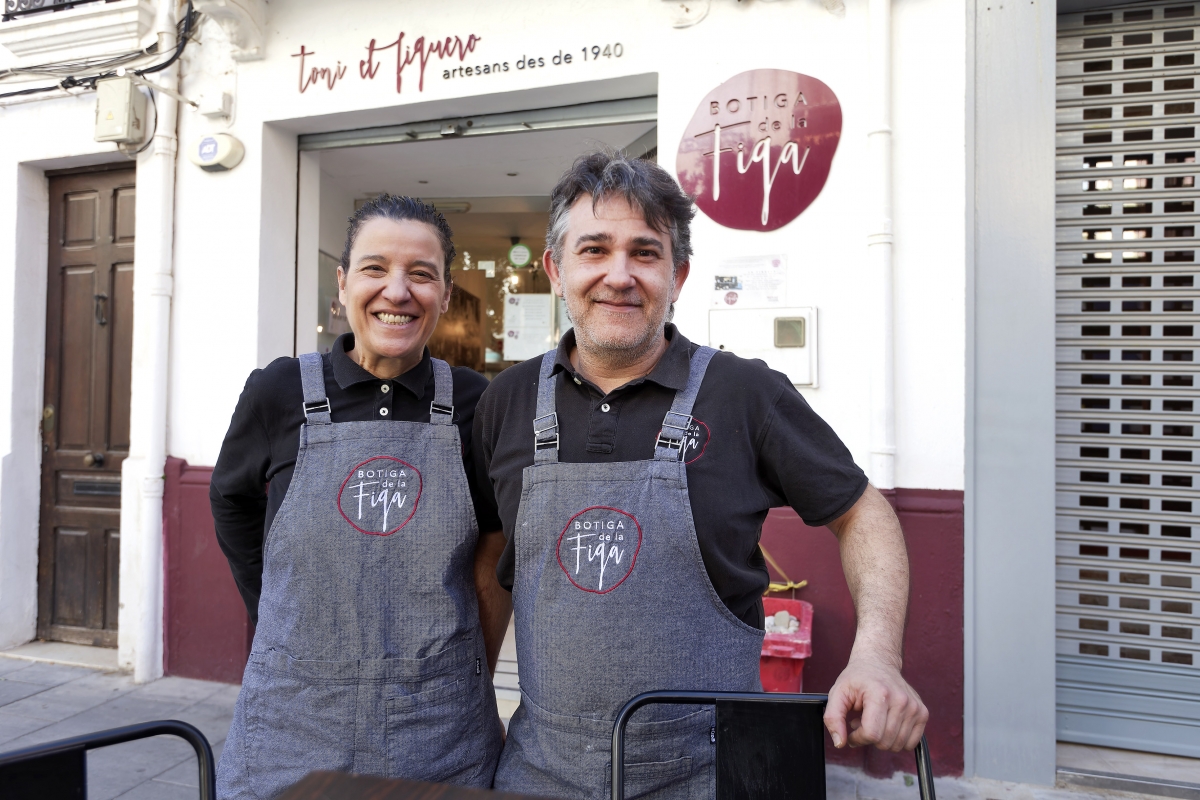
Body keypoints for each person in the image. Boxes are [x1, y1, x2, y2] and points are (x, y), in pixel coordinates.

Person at [474, 152, 928, 799]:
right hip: (539, 774)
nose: (619, 275)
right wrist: (475, 707)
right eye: (595, 249)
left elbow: (862, 514)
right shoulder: (507, 402)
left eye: (645, 253)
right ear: (556, 268)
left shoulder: (744, 394)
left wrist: (877, 655)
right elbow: (489, 561)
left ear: (679, 273)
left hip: (712, 774)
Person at [211, 195, 509, 799]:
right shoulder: (279, 390)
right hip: (292, 721)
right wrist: (276, 611)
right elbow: (231, 501)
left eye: (421, 274)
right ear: (343, 284)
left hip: (438, 726)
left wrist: (465, 662)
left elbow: (494, 546)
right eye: (375, 269)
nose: (396, 291)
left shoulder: (477, 403)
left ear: (445, 296)